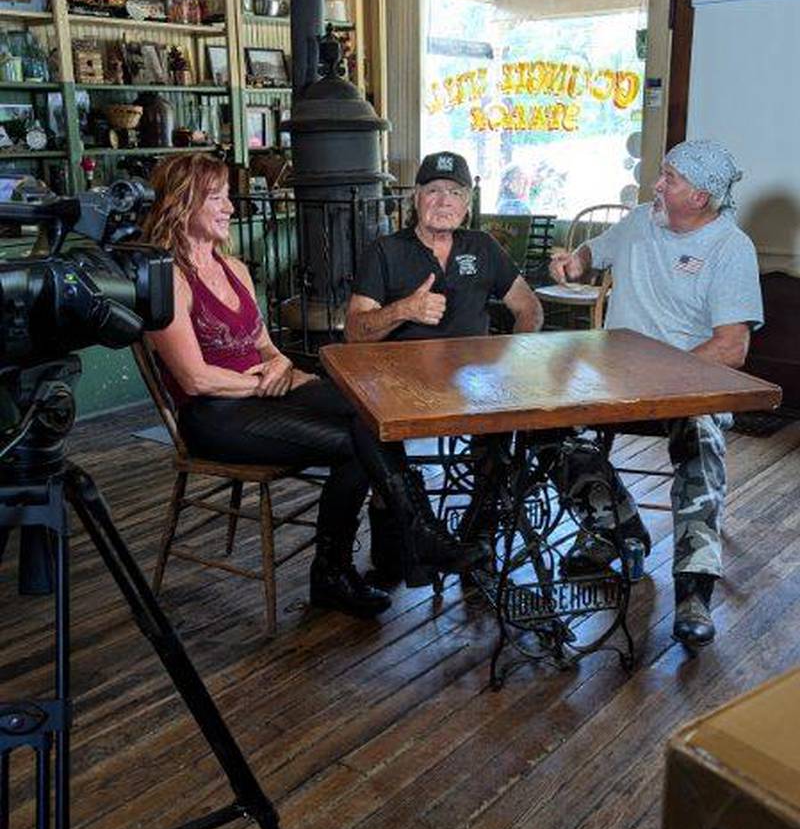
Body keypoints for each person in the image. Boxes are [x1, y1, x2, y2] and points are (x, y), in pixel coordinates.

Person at [142, 154, 484, 615]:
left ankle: (403, 539)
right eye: (217, 198)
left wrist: (284, 371)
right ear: (183, 204)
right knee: (354, 443)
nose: (230, 208)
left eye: (227, 197)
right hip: (213, 416)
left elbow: (267, 348)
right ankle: (361, 560)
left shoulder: (234, 269)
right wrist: (264, 383)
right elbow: (194, 378)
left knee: (369, 409)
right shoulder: (168, 279)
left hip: (260, 395)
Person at [548, 140, 764, 650]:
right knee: (546, 429)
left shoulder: (731, 248)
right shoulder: (644, 219)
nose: (657, 186)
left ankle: (693, 589)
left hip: (684, 385)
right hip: (613, 379)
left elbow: (732, 347)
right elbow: (591, 254)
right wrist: (574, 262)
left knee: (700, 445)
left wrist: (660, 377)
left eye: (669, 178)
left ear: (702, 197)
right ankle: (616, 525)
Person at [346, 150, 543, 575]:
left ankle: (478, 536)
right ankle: (405, 541)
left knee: (510, 422)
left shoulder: (483, 247)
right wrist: (404, 310)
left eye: (455, 192)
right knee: (367, 420)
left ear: (467, 203)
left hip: (476, 380)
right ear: (415, 198)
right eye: (433, 190)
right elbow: (354, 332)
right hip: (402, 383)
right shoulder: (385, 251)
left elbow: (528, 308)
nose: (444, 200)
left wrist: (518, 356)